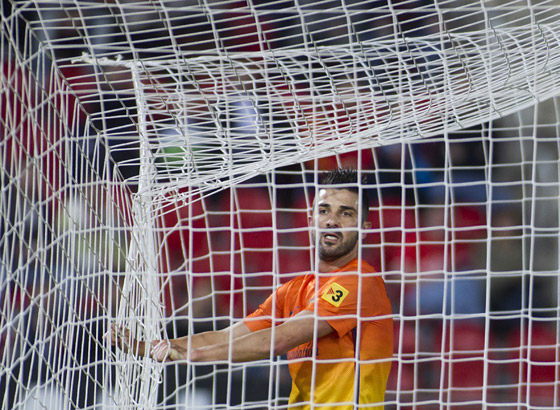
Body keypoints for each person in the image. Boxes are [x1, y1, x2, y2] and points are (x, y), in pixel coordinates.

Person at [108, 168, 393, 409]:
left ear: (364, 227)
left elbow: (279, 340)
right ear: (310, 221)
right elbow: (226, 336)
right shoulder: (292, 291)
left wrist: (192, 355)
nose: (332, 220)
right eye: (324, 210)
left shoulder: (361, 282)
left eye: (346, 213)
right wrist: (155, 346)